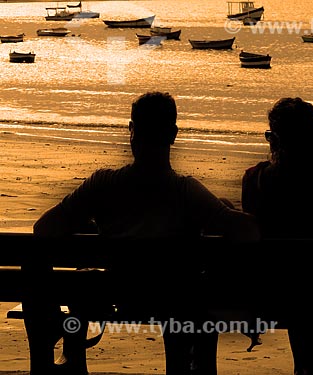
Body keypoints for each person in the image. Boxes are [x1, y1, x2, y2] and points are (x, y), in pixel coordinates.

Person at [25, 91, 260, 375]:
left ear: (131, 130)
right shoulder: (186, 191)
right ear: (172, 134)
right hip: (174, 302)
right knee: (194, 298)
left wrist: (91, 230)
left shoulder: (103, 184)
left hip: (120, 295)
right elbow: (246, 232)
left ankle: (60, 348)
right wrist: (225, 210)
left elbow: (44, 228)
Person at [241, 97, 313, 375]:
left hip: (278, 294)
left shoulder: (256, 180)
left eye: (270, 135)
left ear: (278, 139)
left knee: (299, 297)